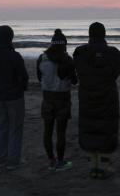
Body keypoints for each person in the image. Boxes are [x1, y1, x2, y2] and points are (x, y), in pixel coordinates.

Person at [73, 22, 120, 179]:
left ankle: (93, 167)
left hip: (87, 97)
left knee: (89, 129)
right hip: (107, 96)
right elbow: (119, 67)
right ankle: (103, 166)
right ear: (104, 34)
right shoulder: (113, 53)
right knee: (106, 129)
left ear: (89, 34)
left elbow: (77, 68)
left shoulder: (80, 52)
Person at [0, 25, 29, 171]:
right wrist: (21, 88)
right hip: (15, 96)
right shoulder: (15, 56)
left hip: (0, 95)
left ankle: (1, 160)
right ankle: (13, 161)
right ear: (11, 37)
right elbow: (24, 77)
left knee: (1, 127)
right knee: (15, 128)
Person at [36, 29, 77, 172]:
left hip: (47, 97)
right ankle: (60, 161)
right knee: (61, 133)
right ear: (64, 44)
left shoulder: (42, 58)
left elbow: (39, 78)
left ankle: (51, 160)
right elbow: (74, 81)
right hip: (63, 98)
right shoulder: (68, 60)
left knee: (47, 132)